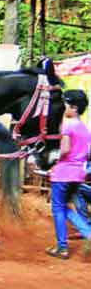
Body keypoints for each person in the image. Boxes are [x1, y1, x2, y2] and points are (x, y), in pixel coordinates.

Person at [46, 89, 91, 260]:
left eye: (65, 104)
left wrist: (55, 161)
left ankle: (62, 247)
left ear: (73, 107)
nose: (63, 107)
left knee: (58, 209)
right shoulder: (84, 129)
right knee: (65, 207)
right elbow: (87, 153)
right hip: (78, 173)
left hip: (63, 173)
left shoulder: (67, 125)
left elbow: (64, 149)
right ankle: (88, 233)